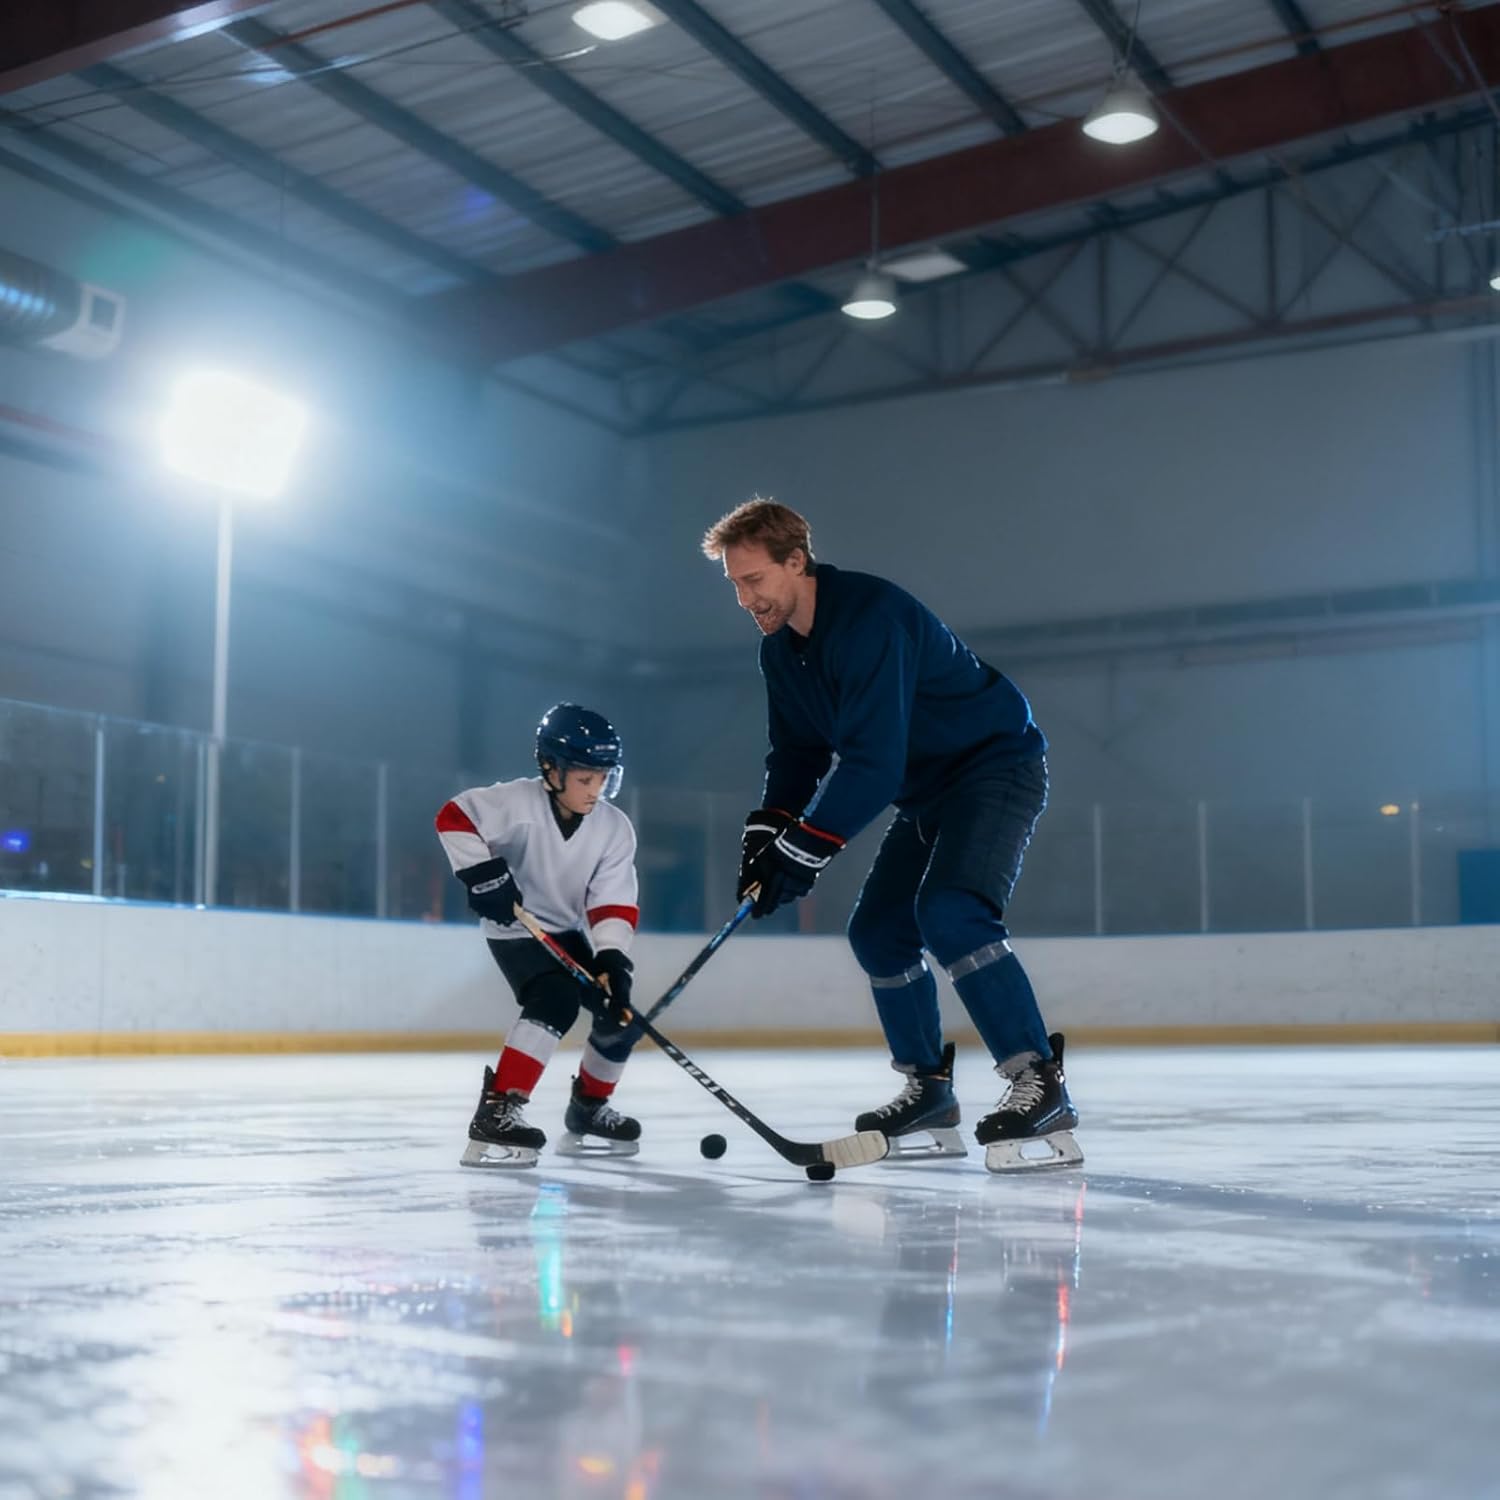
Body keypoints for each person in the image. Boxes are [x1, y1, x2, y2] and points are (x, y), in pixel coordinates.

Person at [702, 499, 1082, 1173]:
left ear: (797, 562)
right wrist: (762, 842)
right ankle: (929, 1091)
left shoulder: (871, 619)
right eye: (734, 583)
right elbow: (796, 755)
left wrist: (802, 852)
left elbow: (873, 763)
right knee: (877, 934)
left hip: (993, 768)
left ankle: (1039, 1081)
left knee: (951, 912)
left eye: (753, 579)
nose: (743, 597)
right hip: (928, 791)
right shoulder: (780, 652)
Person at [436, 703, 642, 1169]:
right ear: (551, 768)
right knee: (554, 1001)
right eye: (585, 779)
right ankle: (498, 1111)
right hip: (515, 928)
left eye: (603, 778)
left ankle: (588, 1109)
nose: (596, 790)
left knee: (620, 1016)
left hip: (566, 932)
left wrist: (611, 957)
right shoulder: (516, 803)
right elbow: (453, 818)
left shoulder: (613, 828)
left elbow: (612, 899)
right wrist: (483, 875)